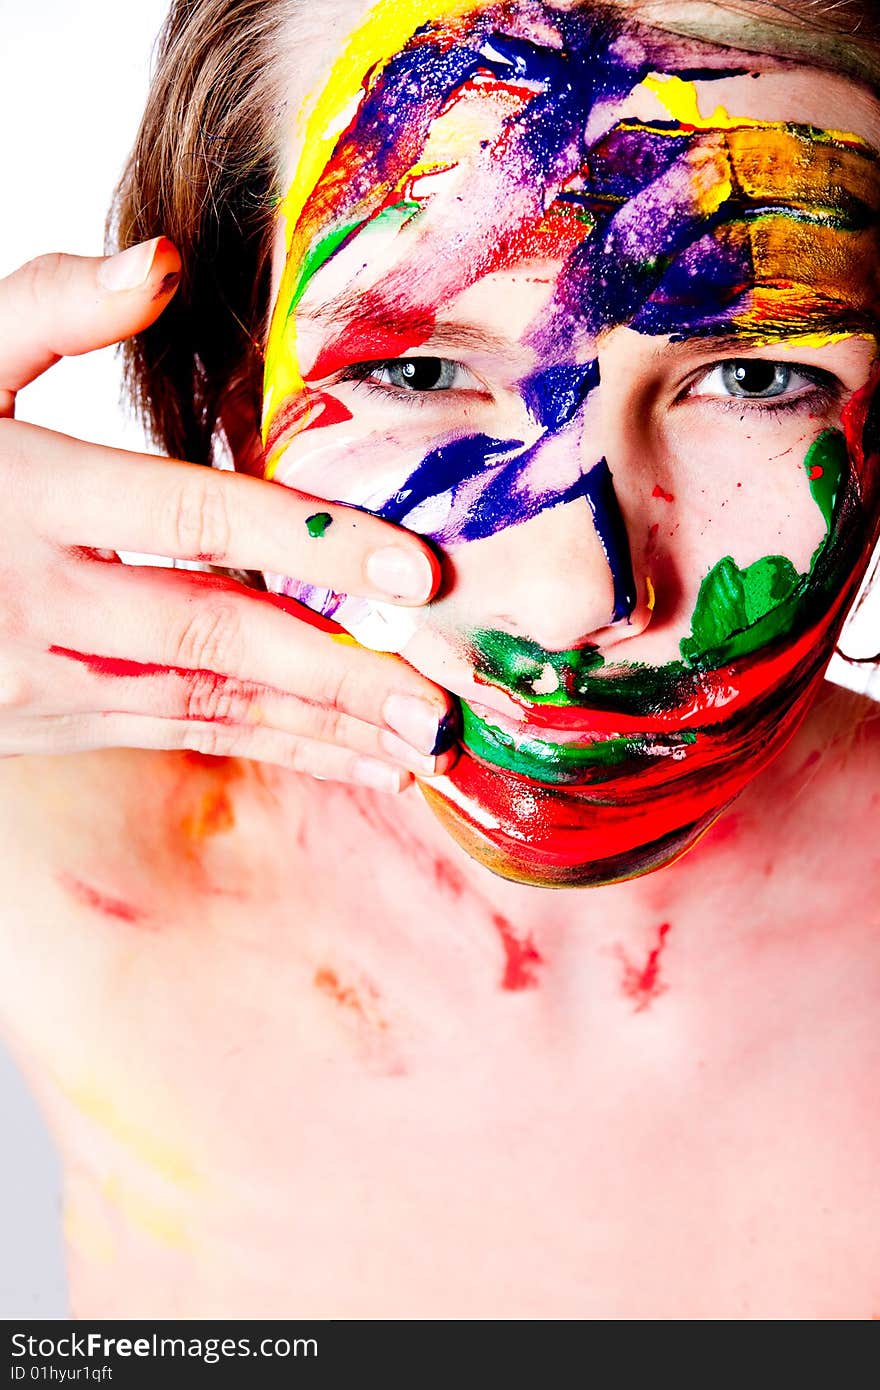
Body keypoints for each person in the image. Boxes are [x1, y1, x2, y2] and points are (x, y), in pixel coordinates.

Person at [1, 0, 879, 1318]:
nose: (580, 592)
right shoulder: (49, 865)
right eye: (416, 365)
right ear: (238, 391)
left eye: (755, 380)